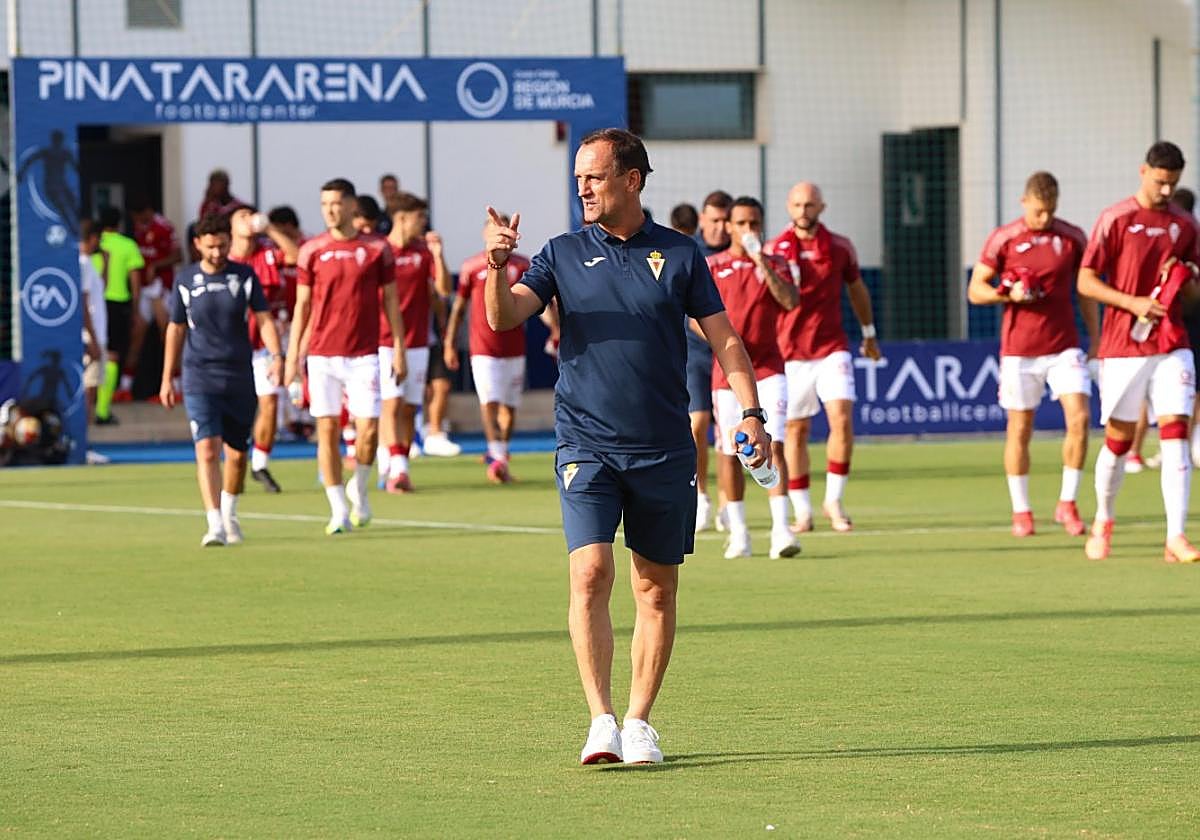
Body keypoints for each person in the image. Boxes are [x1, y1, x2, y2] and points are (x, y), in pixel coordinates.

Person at [482, 128, 770, 766]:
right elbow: (504, 317)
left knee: (655, 589)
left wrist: (750, 413)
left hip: (663, 446)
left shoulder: (681, 254)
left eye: (594, 176)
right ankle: (600, 720)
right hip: (585, 441)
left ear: (632, 180)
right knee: (590, 572)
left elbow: (725, 340)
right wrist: (496, 267)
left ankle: (640, 723)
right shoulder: (560, 253)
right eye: (577, 177)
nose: (580, 187)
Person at [1077, 141, 1200, 563]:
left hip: (1170, 342)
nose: (1166, 191)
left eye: (1174, 184)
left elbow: (1196, 292)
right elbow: (1086, 281)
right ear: (1143, 171)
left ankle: (1175, 536)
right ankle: (1103, 521)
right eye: (1161, 181)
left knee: (1175, 432)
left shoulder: (1185, 225)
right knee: (1118, 440)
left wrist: (1185, 279)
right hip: (1123, 344)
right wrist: (1131, 303)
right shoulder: (1115, 219)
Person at [967, 171, 1096, 536]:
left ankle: (1067, 503)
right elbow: (975, 290)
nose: (1044, 218)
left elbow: (1084, 289)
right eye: (1039, 211)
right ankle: (1021, 511)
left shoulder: (1071, 237)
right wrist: (1006, 294)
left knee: (1081, 418)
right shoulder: (1004, 238)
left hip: (1064, 346)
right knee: (1020, 428)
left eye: (1050, 210)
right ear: (1024, 202)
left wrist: (1096, 336)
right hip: (1020, 352)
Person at [284, 178, 406, 534]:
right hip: (322, 356)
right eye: (325, 205)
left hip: (365, 355)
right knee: (326, 431)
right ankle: (338, 508)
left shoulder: (376, 249)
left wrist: (398, 348)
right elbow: (302, 307)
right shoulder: (311, 251)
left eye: (336, 203)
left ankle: (360, 487)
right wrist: (293, 356)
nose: (330, 211)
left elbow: (391, 303)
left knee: (368, 431)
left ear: (353, 206)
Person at [160, 213, 283, 546]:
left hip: (239, 375)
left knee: (237, 455)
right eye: (211, 247)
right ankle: (214, 523)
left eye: (223, 245)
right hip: (199, 374)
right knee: (207, 449)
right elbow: (176, 328)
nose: (218, 253)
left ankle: (229, 512)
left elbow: (264, 318)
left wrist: (277, 356)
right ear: (198, 245)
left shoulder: (244, 276)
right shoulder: (185, 280)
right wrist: (167, 375)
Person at [766, 181, 881, 532]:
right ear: (789, 207)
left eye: (810, 205)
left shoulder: (840, 247)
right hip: (791, 353)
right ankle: (803, 511)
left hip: (832, 348)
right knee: (795, 431)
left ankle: (834, 499)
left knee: (842, 418)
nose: (804, 211)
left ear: (822, 207)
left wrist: (868, 333)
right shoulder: (774, 251)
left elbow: (857, 289)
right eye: (798, 205)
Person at [706, 196, 800, 558]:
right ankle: (740, 532)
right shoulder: (713, 266)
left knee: (773, 442)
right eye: (741, 223)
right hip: (728, 373)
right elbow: (695, 320)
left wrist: (761, 261)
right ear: (728, 226)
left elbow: (791, 301)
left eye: (754, 223)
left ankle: (782, 529)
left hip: (769, 367)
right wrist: (723, 343)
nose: (748, 230)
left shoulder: (776, 263)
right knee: (731, 452)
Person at [446, 215, 532, 483]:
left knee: (509, 407)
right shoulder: (472, 266)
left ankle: (501, 453)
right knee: (490, 402)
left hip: (514, 347)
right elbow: (459, 307)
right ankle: (496, 456)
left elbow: (538, 304)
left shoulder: (523, 265)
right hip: (482, 348)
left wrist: (555, 329)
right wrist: (450, 341)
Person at [378, 192, 450, 491]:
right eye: (420, 217)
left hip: (418, 340)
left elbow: (444, 290)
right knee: (391, 404)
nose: (424, 223)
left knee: (409, 408)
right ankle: (397, 467)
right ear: (402, 218)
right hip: (384, 341)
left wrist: (438, 255)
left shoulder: (423, 252)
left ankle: (398, 463)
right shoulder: (381, 251)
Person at [228, 204, 300, 493]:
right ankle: (234, 461)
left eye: (250, 215)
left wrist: (269, 228)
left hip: (263, 346)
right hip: (231, 346)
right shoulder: (226, 259)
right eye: (241, 217)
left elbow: (295, 256)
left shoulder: (267, 253)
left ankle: (259, 463)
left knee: (269, 403)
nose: (248, 221)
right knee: (235, 409)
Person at [688, 190, 733, 532]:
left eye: (724, 220)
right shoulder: (689, 253)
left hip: (732, 353)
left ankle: (729, 504)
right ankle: (701, 496)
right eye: (713, 220)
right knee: (698, 424)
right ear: (702, 220)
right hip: (697, 353)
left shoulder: (743, 253)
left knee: (731, 431)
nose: (719, 227)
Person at [93, 205, 146, 422]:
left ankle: (94, 404)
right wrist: (135, 309)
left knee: (93, 353)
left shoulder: (95, 243)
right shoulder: (127, 245)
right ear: (119, 223)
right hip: (117, 303)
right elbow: (135, 280)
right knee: (113, 355)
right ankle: (102, 410)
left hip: (94, 304)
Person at [131, 197, 182, 400]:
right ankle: (126, 385)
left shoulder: (164, 227)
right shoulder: (137, 228)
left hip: (162, 288)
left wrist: (157, 266)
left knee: (167, 334)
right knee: (137, 334)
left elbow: (179, 255)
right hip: (144, 289)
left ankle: (175, 385)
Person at [78, 219, 106, 425]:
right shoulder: (84, 263)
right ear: (93, 238)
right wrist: (93, 340)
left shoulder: (86, 263)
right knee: (89, 390)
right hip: (91, 334)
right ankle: (84, 443)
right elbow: (83, 304)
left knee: (90, 389)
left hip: (93, 332)